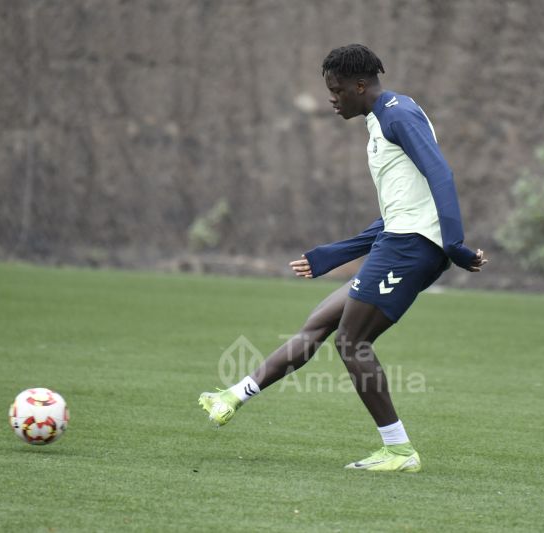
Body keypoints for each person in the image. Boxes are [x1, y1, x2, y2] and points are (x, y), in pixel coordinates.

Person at [199, 44, 487, 472]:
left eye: (336, 90)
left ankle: (399, 450)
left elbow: (440, 174)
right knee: (319, 322)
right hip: (401, 239)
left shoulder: (398, 115)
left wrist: (454, 245)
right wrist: (332, 255)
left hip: (411, 248)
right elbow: (399, 209)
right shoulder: (382, 119)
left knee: (352, 341)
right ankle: (234, 395)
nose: (331, 98)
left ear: (359, 84)